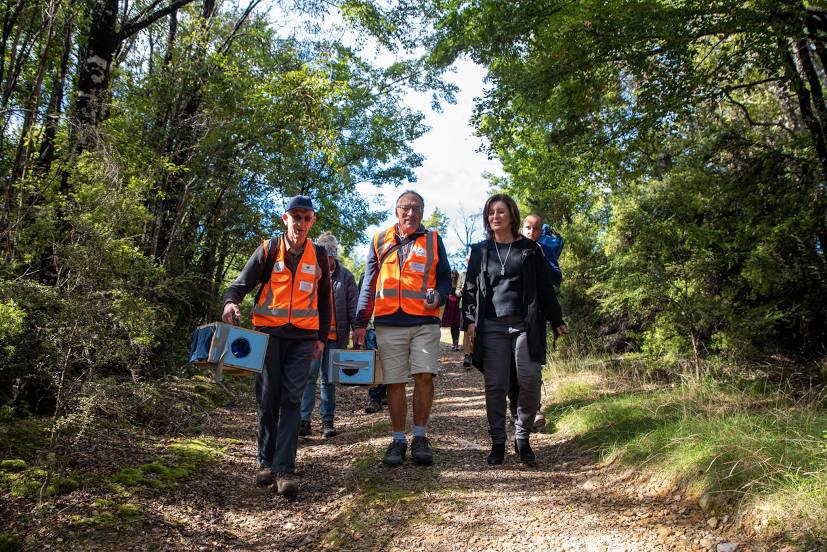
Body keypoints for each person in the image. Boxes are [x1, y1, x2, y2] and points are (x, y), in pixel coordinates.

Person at [222, 195, 331, 499]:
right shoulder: (269, 250)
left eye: (306, 218)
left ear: (312, 221)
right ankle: (264, 461)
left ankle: (284, 470)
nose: (301, 223)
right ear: (286, 219)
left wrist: (322, 337)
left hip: (303, 339)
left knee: (291, 399)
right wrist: (230, 302)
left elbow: (325, 301)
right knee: (268, 398)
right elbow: (240, 284)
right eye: (296, 217)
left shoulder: (319, 256)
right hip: (268, 335)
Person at [462, 194, 567, 467]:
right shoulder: (480, 251)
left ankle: (522, 435)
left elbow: (544, 288)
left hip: (524, 325)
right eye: (490, 213)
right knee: (496, 385)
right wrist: (469, 321)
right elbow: (470, 289)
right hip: (492, 327)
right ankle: (498, 441)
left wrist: (556, 319)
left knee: (529, 378)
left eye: (500, 212)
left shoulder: (530, 250)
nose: (494, 217)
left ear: (512, 216)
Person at [353, 190, 452, 467]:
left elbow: (445, 278)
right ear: (396, 211)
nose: (411, 213)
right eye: (405, 208)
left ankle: (420, 437)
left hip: (424, 320)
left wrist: (441, 296)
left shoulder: (434, 239)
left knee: (424, 376)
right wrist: (360, 322)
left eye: (416, 208)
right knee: (394, 381)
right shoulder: (378, 240)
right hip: (388, 322)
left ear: (423, 211)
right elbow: (368, 283)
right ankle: (398, 439)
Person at [299, 232, 358, 438]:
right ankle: (303, 420)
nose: (327, 259)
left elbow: (353, 306)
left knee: (328, 379)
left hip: (335, 336)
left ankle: (327, 421)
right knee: (308, 377)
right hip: (312, 335)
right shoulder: (310, 272)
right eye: (323, 255)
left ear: (335, 255)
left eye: (330, 255)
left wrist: (356, 328)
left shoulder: (346, 276)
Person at [441, 270, 462, 350]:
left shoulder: (458, 285)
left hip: (456, 308)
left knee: (456, 326)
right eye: (452, 275)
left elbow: (459, 294)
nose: (453, 277)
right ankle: (454, 343)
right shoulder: (448, 284)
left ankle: (456, 344)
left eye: (454, 275)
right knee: (452, 326)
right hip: (450, 308)